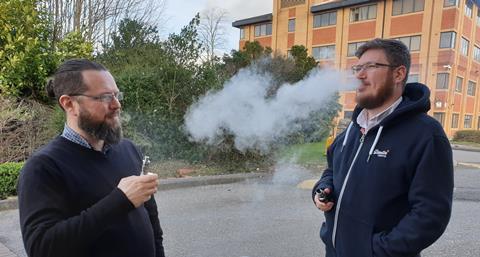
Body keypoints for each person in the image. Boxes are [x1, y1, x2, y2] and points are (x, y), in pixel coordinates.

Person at [312, 38, 453, 257]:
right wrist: (323, 189)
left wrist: (376, 250)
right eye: (358, 68)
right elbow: (331, 171)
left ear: (398, 74)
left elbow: (430, 215)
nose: (359, 75)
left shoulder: (426, 135)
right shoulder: (350, 131)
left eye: (371, 67)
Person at [17, 59, 165, 257]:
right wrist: (120, 201)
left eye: (116, 95)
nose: (117, 104)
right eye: (105, 97)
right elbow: (42, 248)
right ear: (69, 104)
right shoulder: (42, 167)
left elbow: (152, 222)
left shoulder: (128, 149)